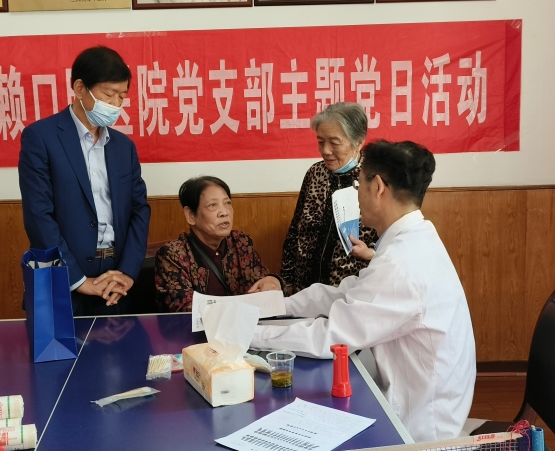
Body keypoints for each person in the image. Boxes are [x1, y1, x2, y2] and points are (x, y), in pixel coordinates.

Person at [251, 140, 476, 442]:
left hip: (417, 432)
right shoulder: (415, 238)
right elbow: (346, 293)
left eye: (358, 183)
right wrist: (276, 306)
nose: (356, 193)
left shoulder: (401, 263)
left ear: (378, 187)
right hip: (420, 401)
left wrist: (248, 333)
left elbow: (330, 337)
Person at [19, 46, 150, 316]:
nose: (115, 104)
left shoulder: (123, 147)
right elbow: (38, 214)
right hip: (63, 283)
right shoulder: (41, 138)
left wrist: (126, 272)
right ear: (80, 88)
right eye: (108, 95)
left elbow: (139, 210)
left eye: (122, 96)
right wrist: (78, 280)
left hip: (116, 285)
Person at [281, 102, 377, 295]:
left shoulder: (374, 179)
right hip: (305, 290)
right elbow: (295, 231)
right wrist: (286, 280)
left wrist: (372, 254)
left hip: (351, 293)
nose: (325, 150)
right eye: (320, 141)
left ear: (358, 142)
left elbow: (393, 243)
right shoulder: (315, 173)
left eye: (334, 142)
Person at [155, 176, 283, 312]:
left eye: (227, 203)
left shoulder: (240, 242)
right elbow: (184, 310)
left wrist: (273, 281)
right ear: (191, 215)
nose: (224, 212)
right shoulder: (173, 254)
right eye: (212, 205)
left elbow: (261, 282)